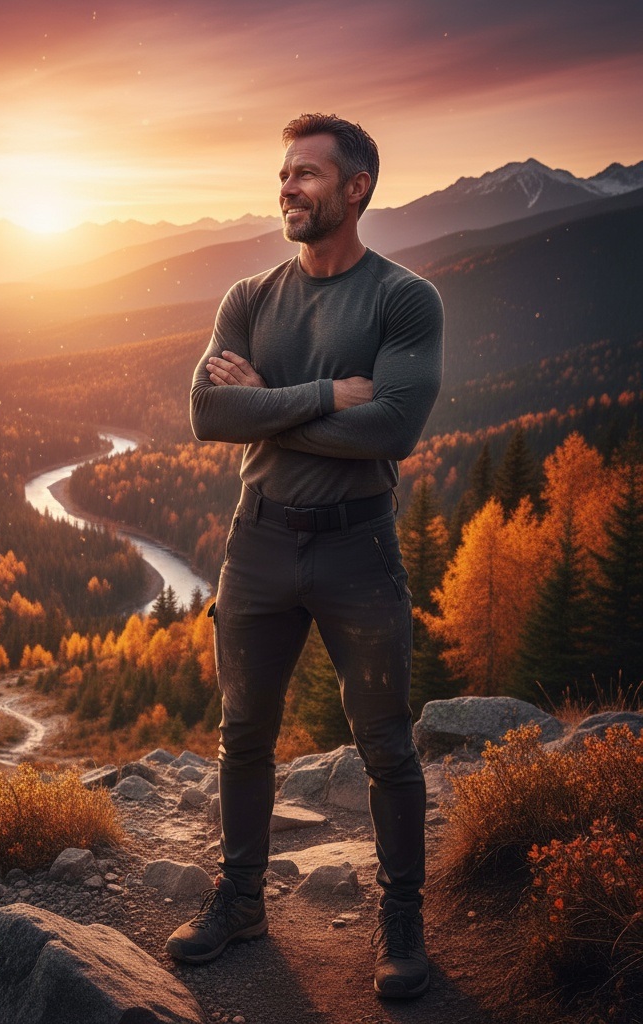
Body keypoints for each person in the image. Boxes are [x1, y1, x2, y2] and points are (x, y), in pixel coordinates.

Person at [166, 113, 444, 1000]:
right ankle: (240, 900)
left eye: (308, 175)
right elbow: (210, 417)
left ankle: (403, 918)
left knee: (387, 743)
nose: (288, 187)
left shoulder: (404, 299)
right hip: (258, 545)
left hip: (358, 548)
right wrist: (328, 394)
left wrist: (274, 407)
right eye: (283, 173)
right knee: (243, 734)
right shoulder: (248, 298)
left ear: (355, 188)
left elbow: (393, 426)